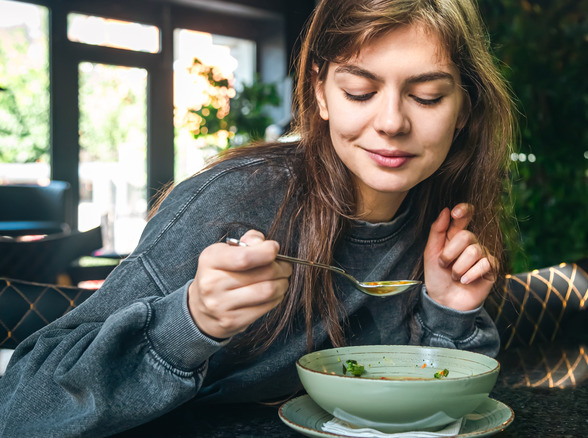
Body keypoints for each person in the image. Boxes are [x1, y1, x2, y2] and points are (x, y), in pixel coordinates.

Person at [0, 0, 516, 435]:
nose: (391, 122)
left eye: (427, 96)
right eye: (359, 91)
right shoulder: (235, 202)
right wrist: (193, 320)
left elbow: (434, 411)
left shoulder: (439, 221)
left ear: (464, 108)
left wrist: (447, 311)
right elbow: (21, 405)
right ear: (320, 93)